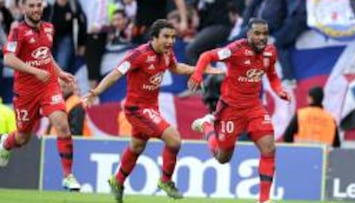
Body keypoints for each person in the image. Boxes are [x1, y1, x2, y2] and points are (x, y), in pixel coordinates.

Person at [83, 19, 220, 203]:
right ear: (154, 37)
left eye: (173, 37)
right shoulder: (138, 55)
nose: (170, 41)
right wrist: (96, 91)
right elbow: (116, 73)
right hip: (136, 109)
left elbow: (176, 67)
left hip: (150, 108)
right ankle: (165, 181)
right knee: (174, 139)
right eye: (166, 37)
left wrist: (199, 69)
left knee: (137, 147)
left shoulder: (166, 53)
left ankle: (117, 181)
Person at [188, 18, 291, 203]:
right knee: (222, 158)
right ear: (248, 35)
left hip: (254, 108)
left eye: (265, 34)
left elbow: (273, 76)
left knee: (269, 148)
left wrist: (279, 90)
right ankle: (207, 127)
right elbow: (206, 56)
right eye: (257, 34)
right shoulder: (235, 49)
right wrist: (197, 74)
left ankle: (264, 199)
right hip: (231, 109)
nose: (262, 38)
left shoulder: (270, 52)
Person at [0, 0, 80, 191]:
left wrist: (59, 72)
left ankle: (68, 176)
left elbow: (46, 55)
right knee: (22, 138)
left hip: (48, 86)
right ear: (24, 8)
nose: (36, 9)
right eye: (32, 6)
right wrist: (34, 71)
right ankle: (5, 142)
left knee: (62, 125)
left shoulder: (49, 28)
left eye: (38, 5)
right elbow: (8, 59)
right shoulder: (17, 31)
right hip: (26, 92)